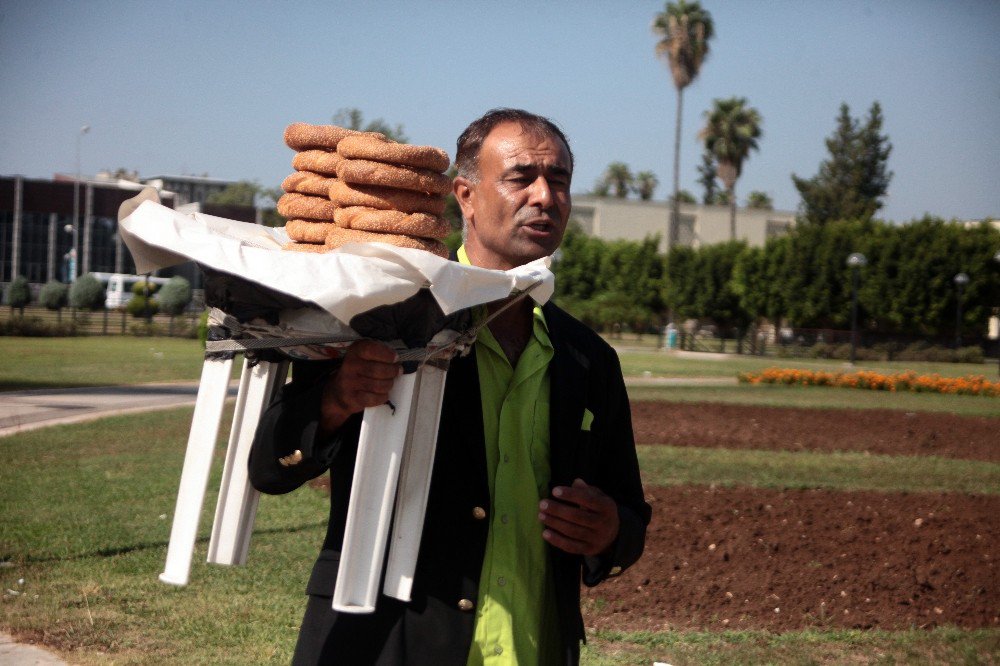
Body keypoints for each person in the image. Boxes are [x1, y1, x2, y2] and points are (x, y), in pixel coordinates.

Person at [250, 108, 651, 665]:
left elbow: (629, 514)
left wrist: (609, 532)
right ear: (464, 195)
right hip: (389, 647)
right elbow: (270, 465)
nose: (544, 196)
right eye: (521, 178)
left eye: (558, 180)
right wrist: (339, 396)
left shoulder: (589, 359)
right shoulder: (379, 318)